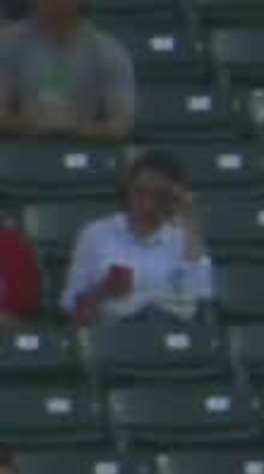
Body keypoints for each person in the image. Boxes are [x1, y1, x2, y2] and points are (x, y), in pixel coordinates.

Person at [60, 148, 213, 326]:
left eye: (159, 196)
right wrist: (102, 290)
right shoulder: (96, 234)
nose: (147, 204)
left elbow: (201, 296)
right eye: (140, 192)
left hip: (167, 334)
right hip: (114, 336)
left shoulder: (183, 238)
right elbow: (69, 307)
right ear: (127, 190)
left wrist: (191, 219)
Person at [0, 0, 136, 142]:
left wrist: (76, 128)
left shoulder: (109, 50)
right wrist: (32, 124)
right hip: (22, 147)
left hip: (85, 148)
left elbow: (121, 124)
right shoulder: (7, 44)